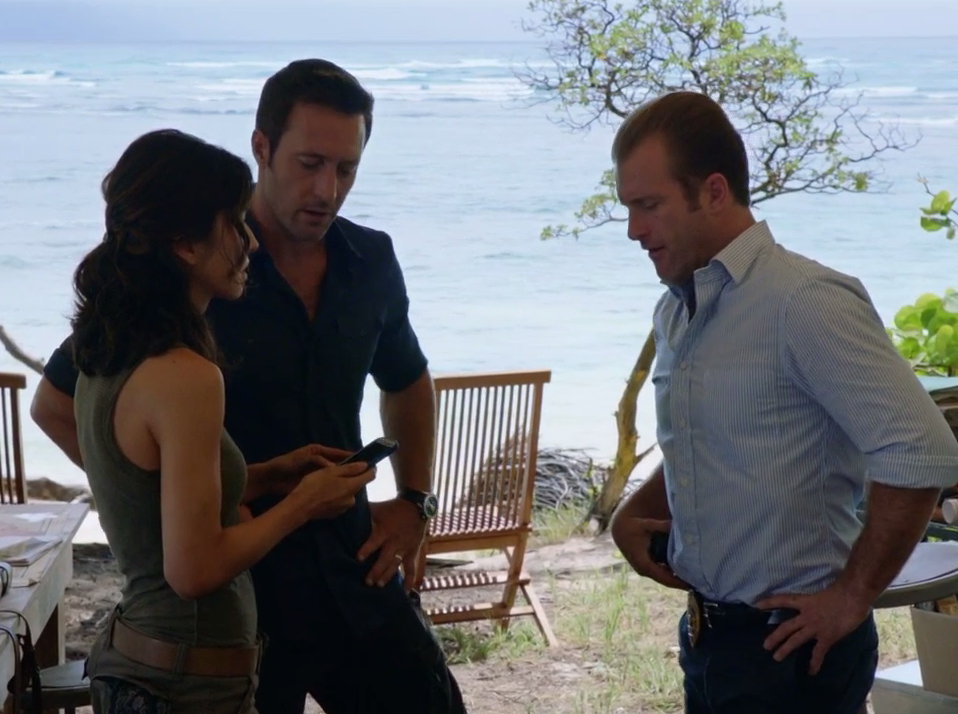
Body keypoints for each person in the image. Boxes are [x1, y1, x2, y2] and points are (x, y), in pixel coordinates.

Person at [32, 60, 466, 713]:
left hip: (354, 565)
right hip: (238, 597)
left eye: (346, 169)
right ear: (262, 147)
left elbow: (407, 380)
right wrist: (163, 510)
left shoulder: (371, 260)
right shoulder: (198, 265)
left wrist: (414, 502)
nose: (327, 189)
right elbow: (60, 406)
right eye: (310, 163)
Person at [608, 91, 958, 714]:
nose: (634, 230)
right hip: (710, 639)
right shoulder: (677, 309)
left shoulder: (804, 300)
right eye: (628, 208)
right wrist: (637, 510)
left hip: (793, 649)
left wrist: (852, 597)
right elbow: (717, 433)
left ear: (715, 191)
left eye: (648, 206)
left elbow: (921, 450)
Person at [71, 128, 373, 712]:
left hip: (141, 666)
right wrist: (303, 503)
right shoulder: (186, 377)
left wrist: (268, 475)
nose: (250, 242)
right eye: (235, 223)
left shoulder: (108, 351)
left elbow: (148, 490)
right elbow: (194, 570)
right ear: (185, 245)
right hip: (187, 685)